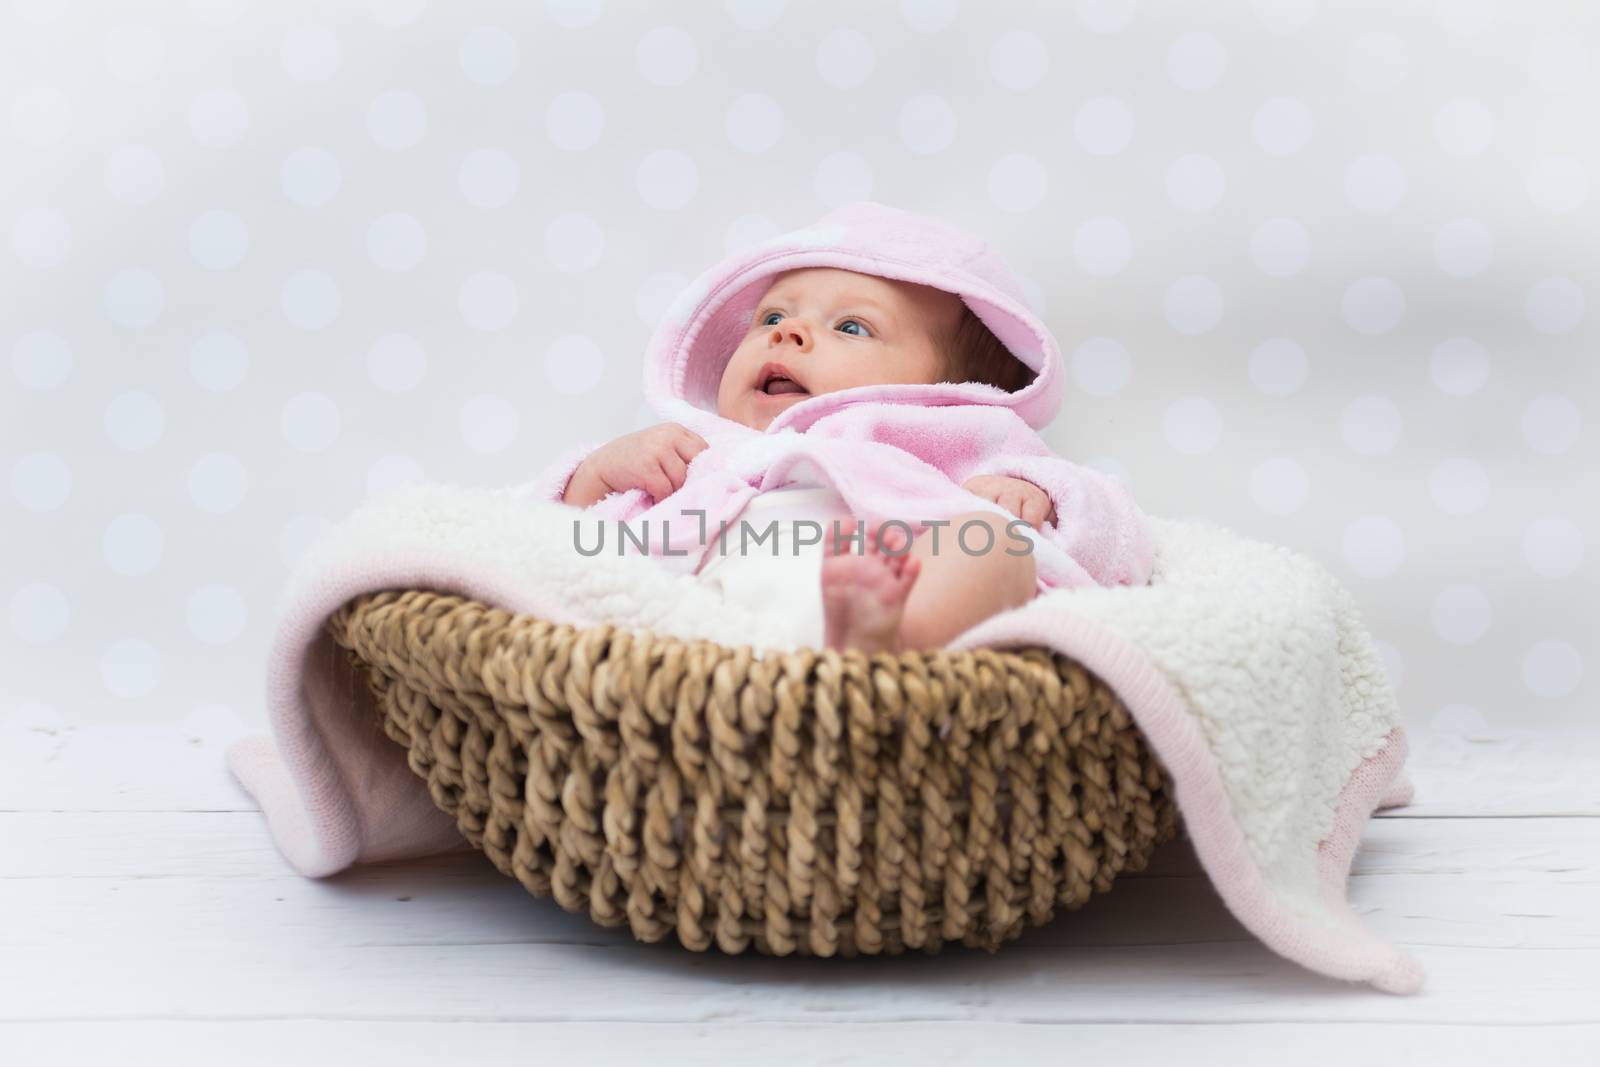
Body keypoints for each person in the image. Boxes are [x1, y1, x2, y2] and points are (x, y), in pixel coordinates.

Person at [529, 202, 1157, 653]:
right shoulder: (698, 453)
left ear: (944, 389)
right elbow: (531, 538)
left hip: (897, 597)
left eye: (851, 326)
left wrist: (1041, 496)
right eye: (772, 316)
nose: (786, 332)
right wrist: (592, 478)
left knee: (994, 546)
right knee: (579, 577)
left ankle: (890, 653)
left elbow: (1123, 541)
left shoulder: (961, 435)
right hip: (705, 626)